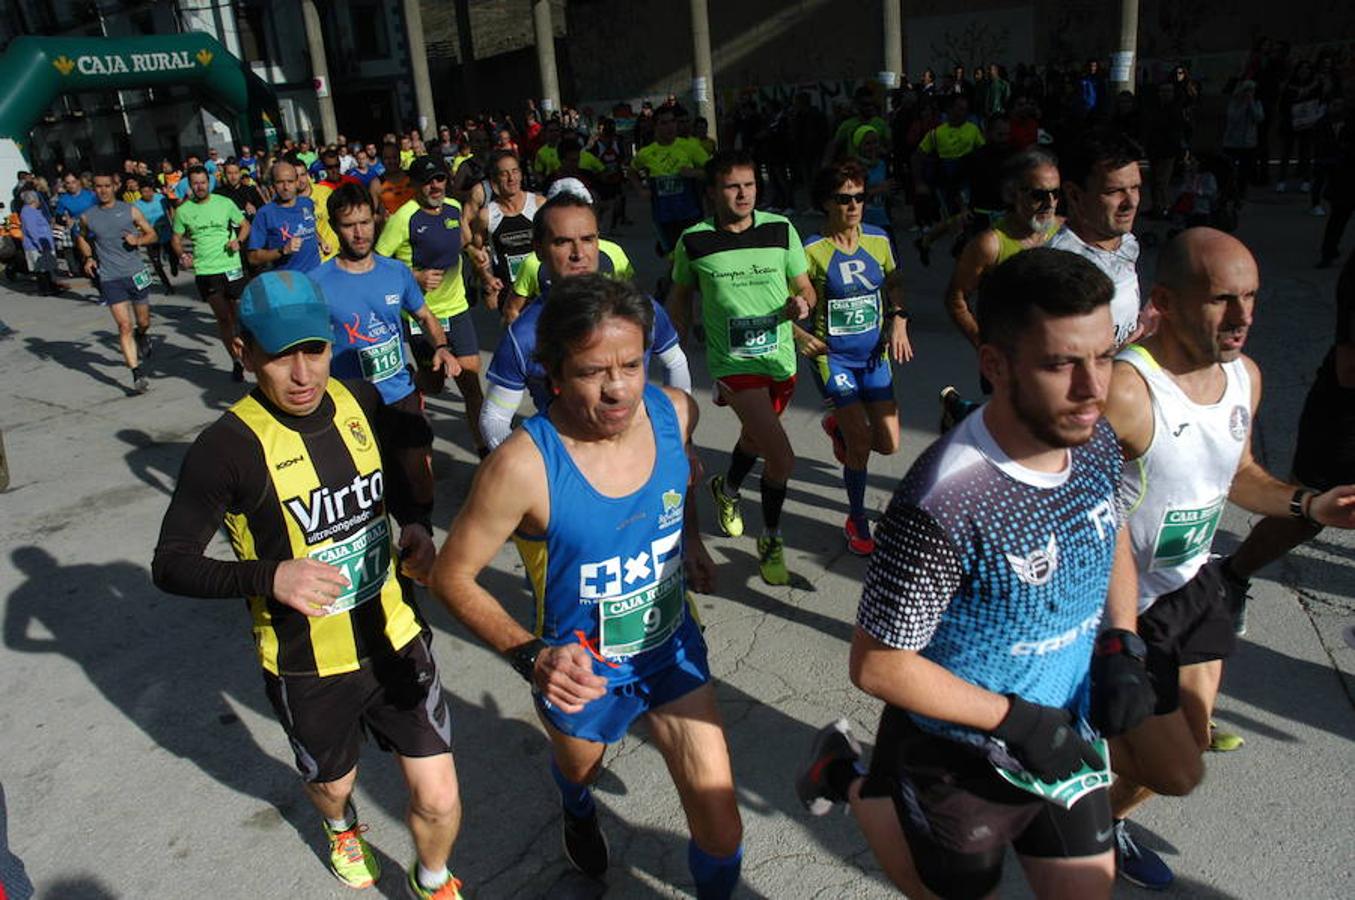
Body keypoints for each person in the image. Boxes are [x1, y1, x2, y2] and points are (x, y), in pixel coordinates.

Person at [797, 248, 1154, 900]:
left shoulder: (1093, 436)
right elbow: (877, 666)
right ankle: (843, 774)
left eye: (1103, 356)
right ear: (994, 365)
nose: (1092, 387)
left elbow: (1112, 535)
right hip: (957, 760)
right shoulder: (943, 499)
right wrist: (1017, 723)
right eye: (1059, 364)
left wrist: (1120, 639)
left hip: (1063, 736)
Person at [151, 271, 465, 899]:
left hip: (395, 636)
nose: (303, 375)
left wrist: (417, 526)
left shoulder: (359, 399)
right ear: (243, 352)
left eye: (314, 350)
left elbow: (395, 482)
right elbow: (172, 563)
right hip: (307, 663)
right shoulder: (226, 448)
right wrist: (273, 575)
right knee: (335, 784)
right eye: (279, 355)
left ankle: (432, 879)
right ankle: (340, 826)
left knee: (439, 794)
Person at [430, 275, 743, 897]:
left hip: (669, 651)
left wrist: (694, 541)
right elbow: (450, 576)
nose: (619, 388)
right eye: (594, 371)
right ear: (553, 373)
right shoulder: (521, 466)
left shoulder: (675, 411)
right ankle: (575, 803)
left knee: (721, 824)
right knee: (582, 768)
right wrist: (532, 654)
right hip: (582, 670)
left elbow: (679, 477)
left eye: (631, 364)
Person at [1100, 228, 1355, 889]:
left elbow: (1237, 473)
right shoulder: (1126, 391)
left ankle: (1095, 826)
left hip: (1198, 589)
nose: (1241, 318)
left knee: (1187, 740)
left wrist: (1308, 504)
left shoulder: (1245, 376)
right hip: (1127, 610)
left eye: (1250, 297)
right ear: (1165, 300)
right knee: (1177, 771)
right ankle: (1067, 802)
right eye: (1220, 300)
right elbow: (1063, 502)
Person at [667, 149, 816, 586]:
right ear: (713, 192)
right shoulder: (693, 239)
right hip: (732, 363)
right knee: (781, 457)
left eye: (749, 185)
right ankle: (770, 537)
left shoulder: (780, 229)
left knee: (755, 437)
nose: (743, 194)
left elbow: (804, 286)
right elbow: (679, 298)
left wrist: (803, 304)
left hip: (780, 358)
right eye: (732, 186)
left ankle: (727, 489)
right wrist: (670, 348)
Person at [480, 192, 689, 449]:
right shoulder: (524, 334)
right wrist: (533, 468)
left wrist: (679, 441)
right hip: (572, 463)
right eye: (563, 242)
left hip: (642, 451)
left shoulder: (639, 307)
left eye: (588, 239)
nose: (579, 253)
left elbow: (676, 362)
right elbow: (495, 418)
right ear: (539, 250)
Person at [1220, 250, 1355, 630]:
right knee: (1306, 515)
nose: (1243, 313)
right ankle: (1231, 574)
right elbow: (1349, 369)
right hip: (1343, 422)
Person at [802, 161, 912, 555]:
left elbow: (895, 282)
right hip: (834, 360)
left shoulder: (880, 240)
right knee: (862, 443)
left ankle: (838, 429)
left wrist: (898, 318)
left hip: (874, 356)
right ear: (825, 204)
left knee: (889, 444)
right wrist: (798, 334)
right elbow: (790, 302)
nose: (853, 205)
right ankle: (857, 518)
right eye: (843, 198)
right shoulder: (811, 250)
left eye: (859, 197)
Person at [376, 155, 487, 457]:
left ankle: (483, 448)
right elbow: (378, 265)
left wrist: (478, 257)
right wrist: (415, 276)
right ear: (413, 185)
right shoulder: (403, 218)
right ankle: (412, 383)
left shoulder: (452, 208)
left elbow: (463, 241)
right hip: (420, 316)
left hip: (457, 307)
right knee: (435, 384)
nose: (434, 186)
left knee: (470, 379)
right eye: (427, 181)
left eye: (439, 178)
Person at [946, 147, 1063, 350]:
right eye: (1038, 195)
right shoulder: (990, 244)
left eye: (1056, 193)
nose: (1050, 203)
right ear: (1012, 194)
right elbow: (956, 298)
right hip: (1010, 369)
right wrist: (984, 345)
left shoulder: (1066, 232)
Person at [1048, 129, 1144, 348]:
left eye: (1135, 188)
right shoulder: (1060, 270)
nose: (1131, 202)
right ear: (1074, 195)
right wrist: (1117, 356)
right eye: (1114, 191)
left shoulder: (1127, 241)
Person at [76, 172, 160, 394]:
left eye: (106, 186)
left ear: (115, 187)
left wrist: (138, 240)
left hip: (135, 272)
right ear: (93, 189)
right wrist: (88, 258)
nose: (102, 190)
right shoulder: (88, 216)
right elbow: (82, 237)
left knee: (142, 321)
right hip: (110, 277)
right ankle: (136, 374)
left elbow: (152, 234)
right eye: (98, 186)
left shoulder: (129, 210)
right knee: (124, 326)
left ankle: (143, 335)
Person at [172, 165, 252, 381]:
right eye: (195, 183)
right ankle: (236, 360)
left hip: (232, 267)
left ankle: (250, 353)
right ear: (190, 186)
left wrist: (238, 240)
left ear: (209, 182)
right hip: (206, 271)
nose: (200, 187)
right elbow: (176, 239)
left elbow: (245, 225)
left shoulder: (224, 203)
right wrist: (182, 255)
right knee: (224, 319)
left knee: (241, 315)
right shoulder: (183, 211)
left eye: (203, 182)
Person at [630, 107, 710, 259]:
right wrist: (640, 190)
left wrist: (694, 173)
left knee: (694, 256)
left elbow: (713, 170)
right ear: (655, 127)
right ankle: (669, 282)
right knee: (673, 258)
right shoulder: (646, 153)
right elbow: (631, 172)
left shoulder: (690, 147)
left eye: (673, 122)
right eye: (664, 123)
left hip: (690, 213)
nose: (670, 127)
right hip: (663, 216)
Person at [471, 149, 544, 311]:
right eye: (504, 174)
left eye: (515, 171)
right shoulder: (486, 215)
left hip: (541, 287)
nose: (511, 179)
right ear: (494, 180)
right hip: (509, 292)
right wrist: (487, 280)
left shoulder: (539, 205)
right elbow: (478, 252)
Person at [248, 159, 324, 274]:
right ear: (273, 184)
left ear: (296, 182)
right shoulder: (264, 214)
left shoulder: (307, 203)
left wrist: (321, 241)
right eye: (280, 182)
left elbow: (309, 226)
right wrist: (282, 251)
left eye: (290, 181)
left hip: (317, 274)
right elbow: (252, 258)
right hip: (289, 282)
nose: (286, 187)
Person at [132, 178, 176, 291]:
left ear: (153, 191)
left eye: (149, 191)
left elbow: (171, 207)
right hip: (151, 236)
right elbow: (134, 221)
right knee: (156, 263)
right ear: (140, 193)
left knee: (173, 255)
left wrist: (173, 219)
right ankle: (168, 286)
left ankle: (174, 265)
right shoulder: (137, 205)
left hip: (166, 233)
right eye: (144, 192)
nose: (147, 194)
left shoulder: (160, 198)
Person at [18, 190, 58, 296]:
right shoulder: (28, 212)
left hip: (43, 244)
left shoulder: (33, 211)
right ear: (34, 200)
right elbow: (32, 230)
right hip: (36, 246)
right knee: (41, 269)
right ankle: (45, 289)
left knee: (46, 268)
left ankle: (50, 286)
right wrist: (39, 244)